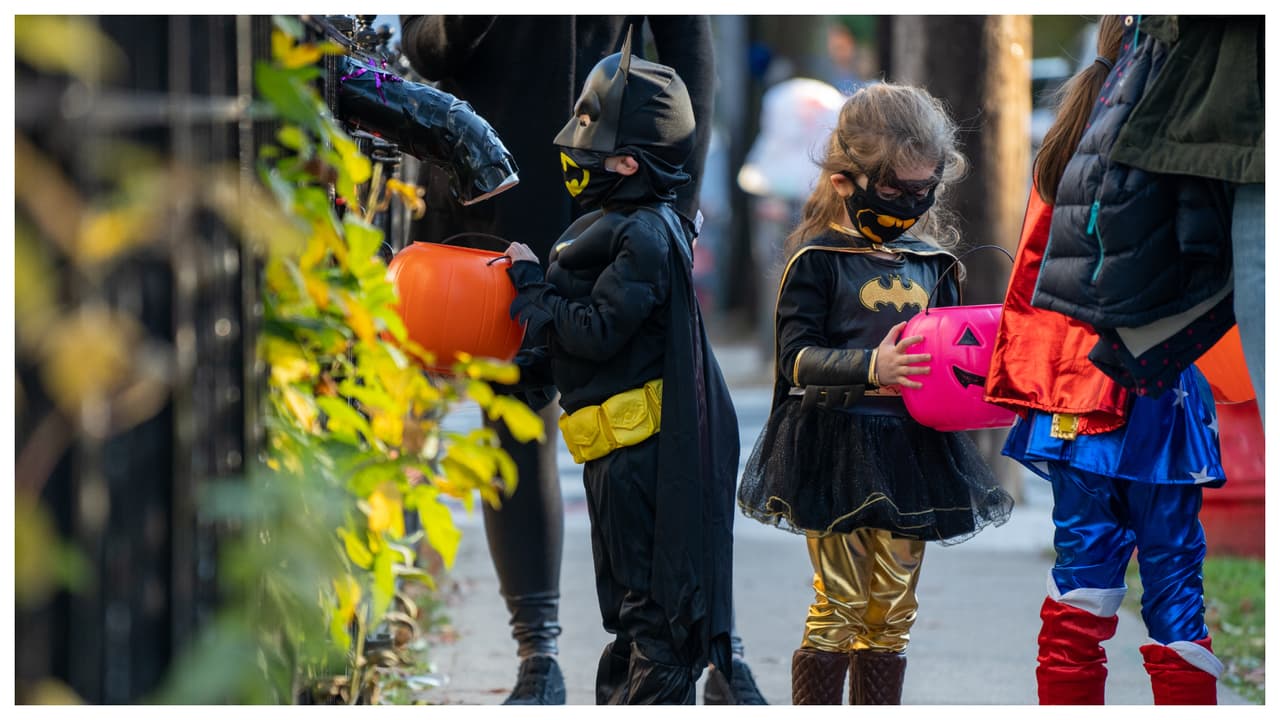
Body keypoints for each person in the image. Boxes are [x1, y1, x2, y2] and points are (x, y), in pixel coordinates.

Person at [399, 16, 766, 704]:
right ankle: (537, 656)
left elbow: (691, 51)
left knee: (668, 435)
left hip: (623, 199)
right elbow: (425, 46)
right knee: (513, 416)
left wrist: (674, 202)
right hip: (494, 197)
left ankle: (718, 645)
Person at [735, 82, 1013, 705]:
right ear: (844, 180)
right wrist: (871, 366)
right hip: (837, 441)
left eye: (925, 191)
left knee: (892, 610)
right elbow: (795, 358)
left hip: (912, 450)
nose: (911, 205)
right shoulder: (818, 259)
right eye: (894, 191)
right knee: (840, 603)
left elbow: (952, 355)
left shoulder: (932, 263)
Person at [985, 15, 1228, 705]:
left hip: (1074, 395)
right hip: (1158, 392)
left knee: (1081, 584)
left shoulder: (1064, 142)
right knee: (1176, 589)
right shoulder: (1169, 137)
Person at [501, 38, 738, 705]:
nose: (577, 162)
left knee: (651, 614)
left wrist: (533, 290)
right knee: (628, 610)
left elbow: (599, 331)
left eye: (592, 152)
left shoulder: (646, 235)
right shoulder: (617, 226)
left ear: (629, 163)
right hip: (612, 455)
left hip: (642, 461)